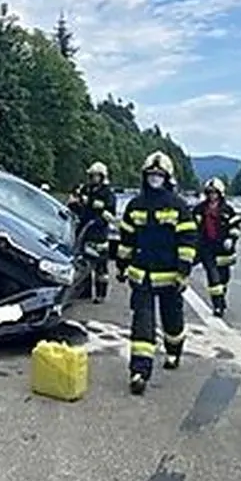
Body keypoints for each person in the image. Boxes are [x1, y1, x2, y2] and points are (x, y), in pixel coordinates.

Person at [114, 151, 197, 395]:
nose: (155, 179)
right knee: (143, 322)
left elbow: (188, 240)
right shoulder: (135, 205)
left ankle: (173, 351)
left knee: (172, 320)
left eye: (159, 175)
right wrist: (121, 264)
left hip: (170, 277)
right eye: (151, 175)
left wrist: (183, 272)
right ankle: (139, 371)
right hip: (142, 276)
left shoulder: (178, 206)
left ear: (167, 177)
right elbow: (127, 238)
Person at [67, 161, 117, 303]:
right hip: (84, 231)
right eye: (92, 175)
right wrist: (75, 203)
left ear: (102, 177)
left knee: (100, 267)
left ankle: (101, 294)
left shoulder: (107, 193)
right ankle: (84, 292)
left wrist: (97, 217)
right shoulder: (86, 190)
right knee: (83, 264)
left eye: (96, 176)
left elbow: (109, 214)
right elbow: (78, 208)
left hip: (99, 234)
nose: (94, 178)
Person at [192, 177, 241, 317]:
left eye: (215, 193)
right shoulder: (199, 209)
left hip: (223, 251)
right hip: (206, 248)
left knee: (223, 279)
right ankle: (218, 305)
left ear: (220, 193)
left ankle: (221, 299)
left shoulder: (228, 210)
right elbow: (192, 227)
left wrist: (231, 239)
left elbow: (235, 227)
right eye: (209, 192)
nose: (212, 195)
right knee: (213, 279)